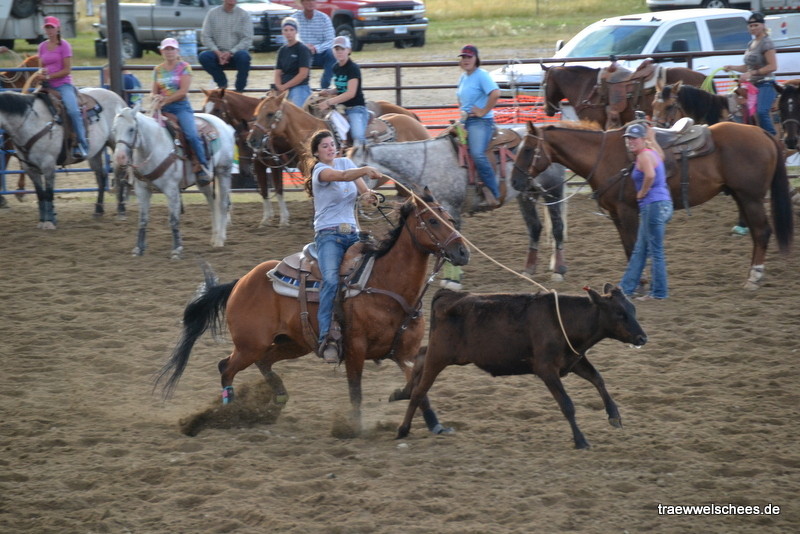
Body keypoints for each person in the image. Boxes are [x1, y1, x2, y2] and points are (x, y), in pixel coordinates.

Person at [301, 129, 381, 362]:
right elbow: (344, 177)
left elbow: (364, 193)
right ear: (316, 152)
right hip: (329, 235)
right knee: (331, 280)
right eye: (324, 146)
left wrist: (370, 196)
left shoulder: (346, 162)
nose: (330, 148)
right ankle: (325, 335)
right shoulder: (320, 170)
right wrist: (365, 169)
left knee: (375, 273)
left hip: (353, 234)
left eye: (332, 144)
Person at [724, 11, 778, 236]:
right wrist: (734, 69)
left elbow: (772, 67)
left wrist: (752, 73)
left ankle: (773, 139)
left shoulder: (767, 42)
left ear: (763, 26)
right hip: (752, 85)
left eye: (756, 25)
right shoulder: (751, 43)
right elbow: (746, 69)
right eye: (751, 25)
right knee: (740, 114)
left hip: (764, 86)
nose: (752, 28)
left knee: (763, 112)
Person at [619, 123, 674, 301]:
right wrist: (652, 138)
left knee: (654, 251)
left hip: (652, 205)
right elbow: (663, 157)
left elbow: (649, 175)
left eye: (634, 138)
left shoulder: (643, 156)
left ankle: (658, 293)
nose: (630, 142)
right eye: (628, 138)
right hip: (662, 204)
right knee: (641, 249)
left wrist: (642, 192)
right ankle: (626, 288)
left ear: (642, 140)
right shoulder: (652, 153)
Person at [151, 37, 211, 185]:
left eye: (172, 49)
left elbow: (183, 91)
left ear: (177, 51)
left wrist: (165, 100)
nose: (169, 52)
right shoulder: (157, 70)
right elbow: (153, 91)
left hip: (180, 107)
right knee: (147, 134)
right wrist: (155, 97)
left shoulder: (184, 67)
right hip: (163, 108)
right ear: (161, 51)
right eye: (166, 49)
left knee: (191, 134)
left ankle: (202, 165)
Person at [37, 16, 89, 159]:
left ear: (58, 28)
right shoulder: (41, 46)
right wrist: (40, 75)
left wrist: (48, 77)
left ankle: (82, 144)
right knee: (30, 107)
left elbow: (67, 70)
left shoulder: (64, 46)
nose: (49, 30)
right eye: (47, 27)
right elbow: (41, 66)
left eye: (51, 27)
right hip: (46, 86)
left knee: (73, 111)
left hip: (63, 85)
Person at [456, 44, 501, 208]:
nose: (466, 60)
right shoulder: (463, 77)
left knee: (477, 153)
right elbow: (461, 99)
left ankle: (493, 192)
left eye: (469, 57)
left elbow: (495, 93)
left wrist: (483, 111)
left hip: (481, 121)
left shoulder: (482, 75)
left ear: (476, 59)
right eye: (463, 57)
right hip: (466, 120)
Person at [316, 36, 368, 147]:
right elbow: (341, 88)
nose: (339, 52)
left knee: (357, 136)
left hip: (356, 108)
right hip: (341, 107)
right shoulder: (335, 67)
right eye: (336, 49)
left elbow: (351, 93)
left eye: (342, 49)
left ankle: (364, 154)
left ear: (349, 50)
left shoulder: (353, 68)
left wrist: (328, 102)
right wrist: (329, 92)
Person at [199, 0, 252, 93]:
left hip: (236, 54)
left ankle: (239, 90)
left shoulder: (244, 15)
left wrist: (231, 52)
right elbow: (205, 36)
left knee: (244, 56)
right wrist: (217, 52)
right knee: (203, 56)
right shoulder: (212, 13)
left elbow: (247, 39)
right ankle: (222, 83)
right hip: (217, 54)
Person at [291, 0, 336, 89]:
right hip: (300, 54)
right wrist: (304, 48)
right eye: (307, 1)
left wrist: (316, 48)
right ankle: (301, 87)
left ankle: (324, 87)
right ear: (302, 3)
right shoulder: (294, 19)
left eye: (312, 0)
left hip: (319, 54)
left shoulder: (324, 18)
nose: (310, 3)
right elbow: (289, 39)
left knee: (331, 54)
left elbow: (331, 40)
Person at [274, 17, 312, 108]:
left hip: (299, 87)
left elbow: (303, 74)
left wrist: (285, 86)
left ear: (296, 31)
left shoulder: (302, 49)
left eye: (291, 30)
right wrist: (279, 86)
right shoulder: (282, 50)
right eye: (286, 30)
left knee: (296, 112)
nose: (288, 33)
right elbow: (277, 72)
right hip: (283, 87)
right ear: (282, 32)